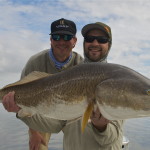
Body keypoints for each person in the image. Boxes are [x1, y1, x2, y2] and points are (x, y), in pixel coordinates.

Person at [2, 21, 124, 150]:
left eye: (102, 40)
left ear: (74, 41)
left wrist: (101, 127)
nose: (95, 43)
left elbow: (112, 137)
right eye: (89, 39)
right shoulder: (36, 62)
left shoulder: (114, 82)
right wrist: (20, 112)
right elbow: (56, 124)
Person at [2, 18, 83, 150]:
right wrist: (34, 133)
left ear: (74, 41)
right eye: (56, 37)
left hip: (71, 115)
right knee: (37, 146)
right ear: (51, 40)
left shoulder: (81, 64)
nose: (61, 41)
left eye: (67, 37)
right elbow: (22, 95)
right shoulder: (34, 62)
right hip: (40, 114)